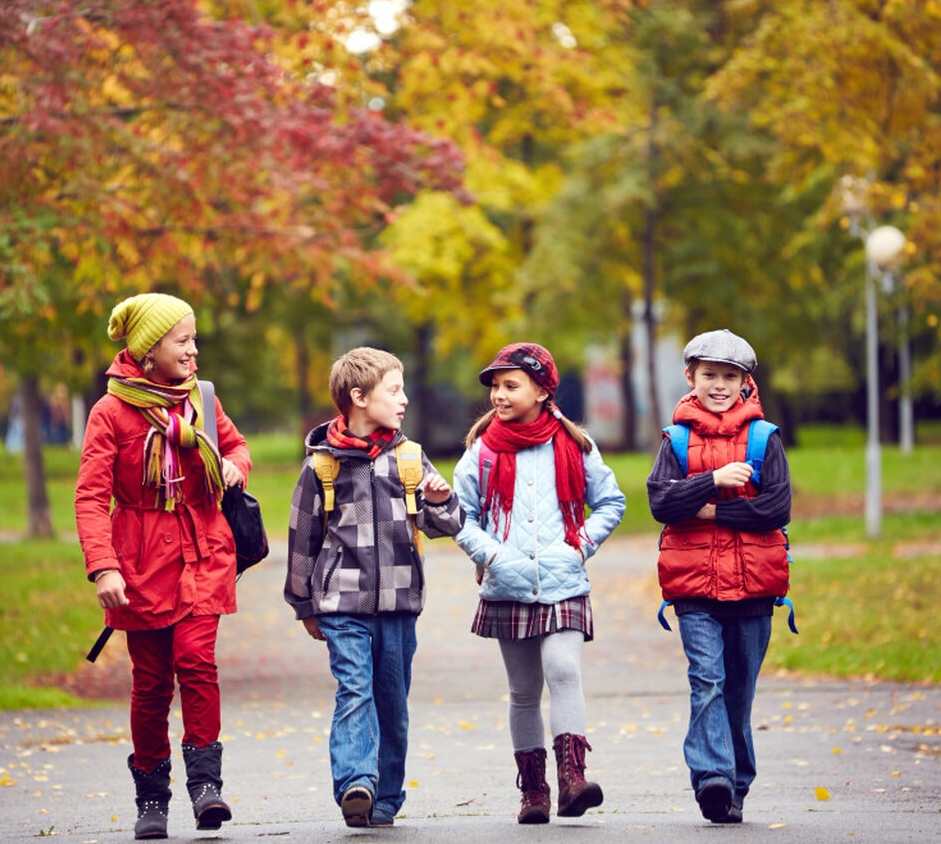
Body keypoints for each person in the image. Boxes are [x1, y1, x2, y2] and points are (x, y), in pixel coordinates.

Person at [74, 293, 252, 840]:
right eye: (183, 341)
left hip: (203, 550)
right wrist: (104, 567)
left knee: (197, 663)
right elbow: (90, 497)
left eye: (194, 340)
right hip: (141, 560)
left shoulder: (202, 399)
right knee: (151, 683)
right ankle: (152, 798)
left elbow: (240, 448)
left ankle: (206, 788)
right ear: (149, 351)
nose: (194, 351)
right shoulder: (111, 412)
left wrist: (232, 465)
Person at [284, 346, 465, 829]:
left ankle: (385, 796)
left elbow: (447, 523)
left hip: (400, 602)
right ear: (359, 398)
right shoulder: (322, 466)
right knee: (355, 690)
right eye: (394, 390)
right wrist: (304, 604)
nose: (403, 399)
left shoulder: (409, 459)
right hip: (342, 602)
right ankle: (355, 783)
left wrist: (442, 502)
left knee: (392, 700)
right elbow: (302, 537)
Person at [452, 342, 626, 824]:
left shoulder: (574, 447)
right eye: (495, 387)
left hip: (564, 581)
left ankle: (573, 779)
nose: (499, 396)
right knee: (524, 690)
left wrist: (579, 547)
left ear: (542, 390)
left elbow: (611, 502)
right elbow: (458, 517)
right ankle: (534, 792)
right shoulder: (481, 452)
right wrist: (491, 555)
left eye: (510, 385)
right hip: (507, 585)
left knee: (564, 670)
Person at [645, 329, 792, 825]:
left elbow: (775, 509)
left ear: (746, 382)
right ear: (691, 378)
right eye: (710, 375)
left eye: (730, 376)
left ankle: (737, 785)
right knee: (706, 679)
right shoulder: (677, 440)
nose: (720, 385)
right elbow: (660, 502)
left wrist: (706, 512)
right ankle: (712, 778)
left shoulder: (764, 439)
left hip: (754, 587)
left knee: (739, 691)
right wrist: (712, 481)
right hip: (694, 589)